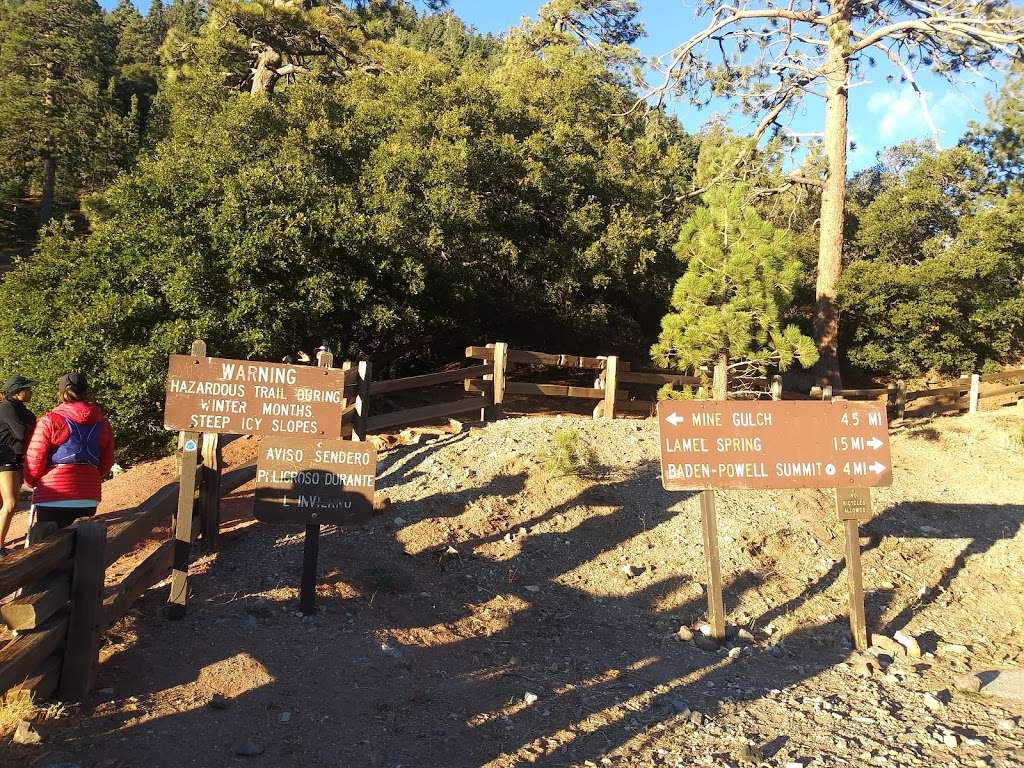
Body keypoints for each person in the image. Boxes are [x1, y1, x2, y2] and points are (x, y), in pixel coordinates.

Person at [23, 373, 115, 539]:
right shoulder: (102, 423)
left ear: (60, 393)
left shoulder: (50, 421)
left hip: (53, 493)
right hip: (88, 494)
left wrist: (30, 481)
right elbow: (107, 461)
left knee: (47, 548)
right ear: (87, 392)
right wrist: (90, 475)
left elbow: (34, 459)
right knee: (79, 546)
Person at [0, 375, 36, 555]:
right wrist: (31, 428)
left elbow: (33, 424)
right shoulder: (7, 407)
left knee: (6, 504)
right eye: (27, 389)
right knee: (11, 503)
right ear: (17, 392)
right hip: (6, 459)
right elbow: (21, 433)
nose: (30, 392)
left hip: (12, 458)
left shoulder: (19, 408)